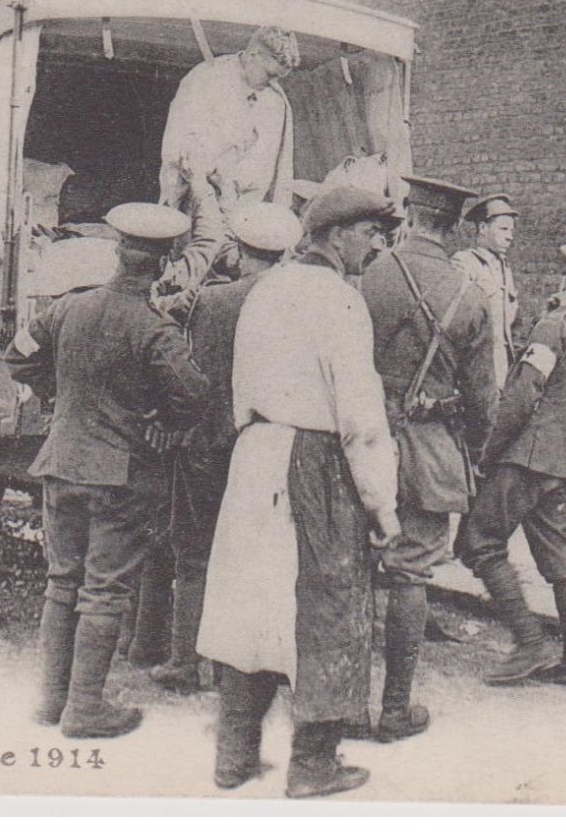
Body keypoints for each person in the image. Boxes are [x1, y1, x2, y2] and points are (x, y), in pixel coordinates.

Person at [196, 186, 402, 798]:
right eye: (370, 232)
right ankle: (313, 766)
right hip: (315, 461)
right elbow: (361, 417)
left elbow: (239, 386)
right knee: (327, 610)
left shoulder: (267, 291)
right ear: (336, 236)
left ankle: (233, 757)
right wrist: (382, 506)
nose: (376, 243)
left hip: (255, 454)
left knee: (250, 603)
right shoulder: (340, 301)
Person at [9, 202, 209, 740]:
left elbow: (19, 356)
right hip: (117, 477)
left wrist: (60, 396)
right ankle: (85, 708)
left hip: (59, 462)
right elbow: (194, 396)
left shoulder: (67, 309)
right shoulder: (155, 330)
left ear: (117, 252)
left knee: (61, 582)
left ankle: (51, 701)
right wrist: (158, 420)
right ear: (165, 264)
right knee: (103, 590)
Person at [357, 175, 496, 741]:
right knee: (409, 574)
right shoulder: (471, 294)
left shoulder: (369, 274)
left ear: (409, 216)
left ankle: (340, 703)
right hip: (429, 451)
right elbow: (484, 400)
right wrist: (477, 454)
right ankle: (394, 709)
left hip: (361, 439)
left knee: (351, 566)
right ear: (456, 225)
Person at [150, 198, 304, 694]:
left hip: (209, 443)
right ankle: (250, 664)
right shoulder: (298, 301)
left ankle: (183, 661)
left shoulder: (212, 302)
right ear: (283, 253)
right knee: (263, 555)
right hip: (272, 447)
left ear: (237, 250)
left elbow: (195, 376)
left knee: (194, 550)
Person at [456, 244, 566, 688]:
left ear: (565, 283)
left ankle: (529, 642)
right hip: (556, 457)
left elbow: (523, 394)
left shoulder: (553, 326)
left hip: (523, 456)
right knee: (560, 558)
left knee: (478, 543)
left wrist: (487, 452)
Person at [157, 27, 301, 215]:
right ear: (254, 55)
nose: (272, 83)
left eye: (278, 78)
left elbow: (266, 165)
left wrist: (234, 185)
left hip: (238, 206)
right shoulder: (206, 78)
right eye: (269, 75)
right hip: (193, 198)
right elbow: (176, 145)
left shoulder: (274, 100)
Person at [452, 193, 522, 390]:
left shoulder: (504, 267)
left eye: (511, 230)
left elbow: (512, 321)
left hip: (503, 371)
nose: (510, 235)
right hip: (475, 370)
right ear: (483, 228)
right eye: (503, 229)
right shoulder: (464, 263)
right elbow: (457, 323)